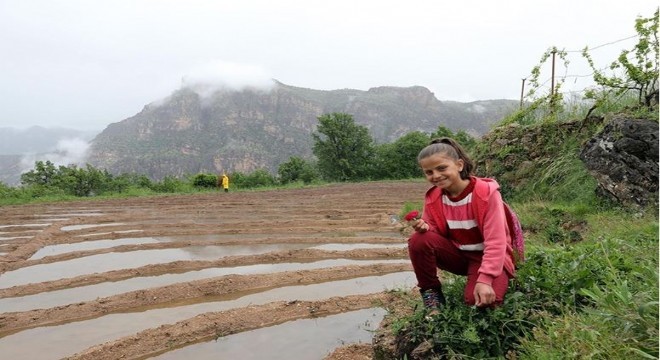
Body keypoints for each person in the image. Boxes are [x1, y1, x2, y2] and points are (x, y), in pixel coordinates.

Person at [407, 137, 515, 312]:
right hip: (459, 256)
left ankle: (489, 277)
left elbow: (496, 241)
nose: (436, 176)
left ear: (459, 165)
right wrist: (427, 228)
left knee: (480, 302)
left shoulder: (485, 194)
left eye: (442, 168)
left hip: (490, 256)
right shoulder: (434, 197)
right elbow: (436, 230)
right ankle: (431, 293)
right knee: (419, 239)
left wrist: (485, 279)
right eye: (429, 172)